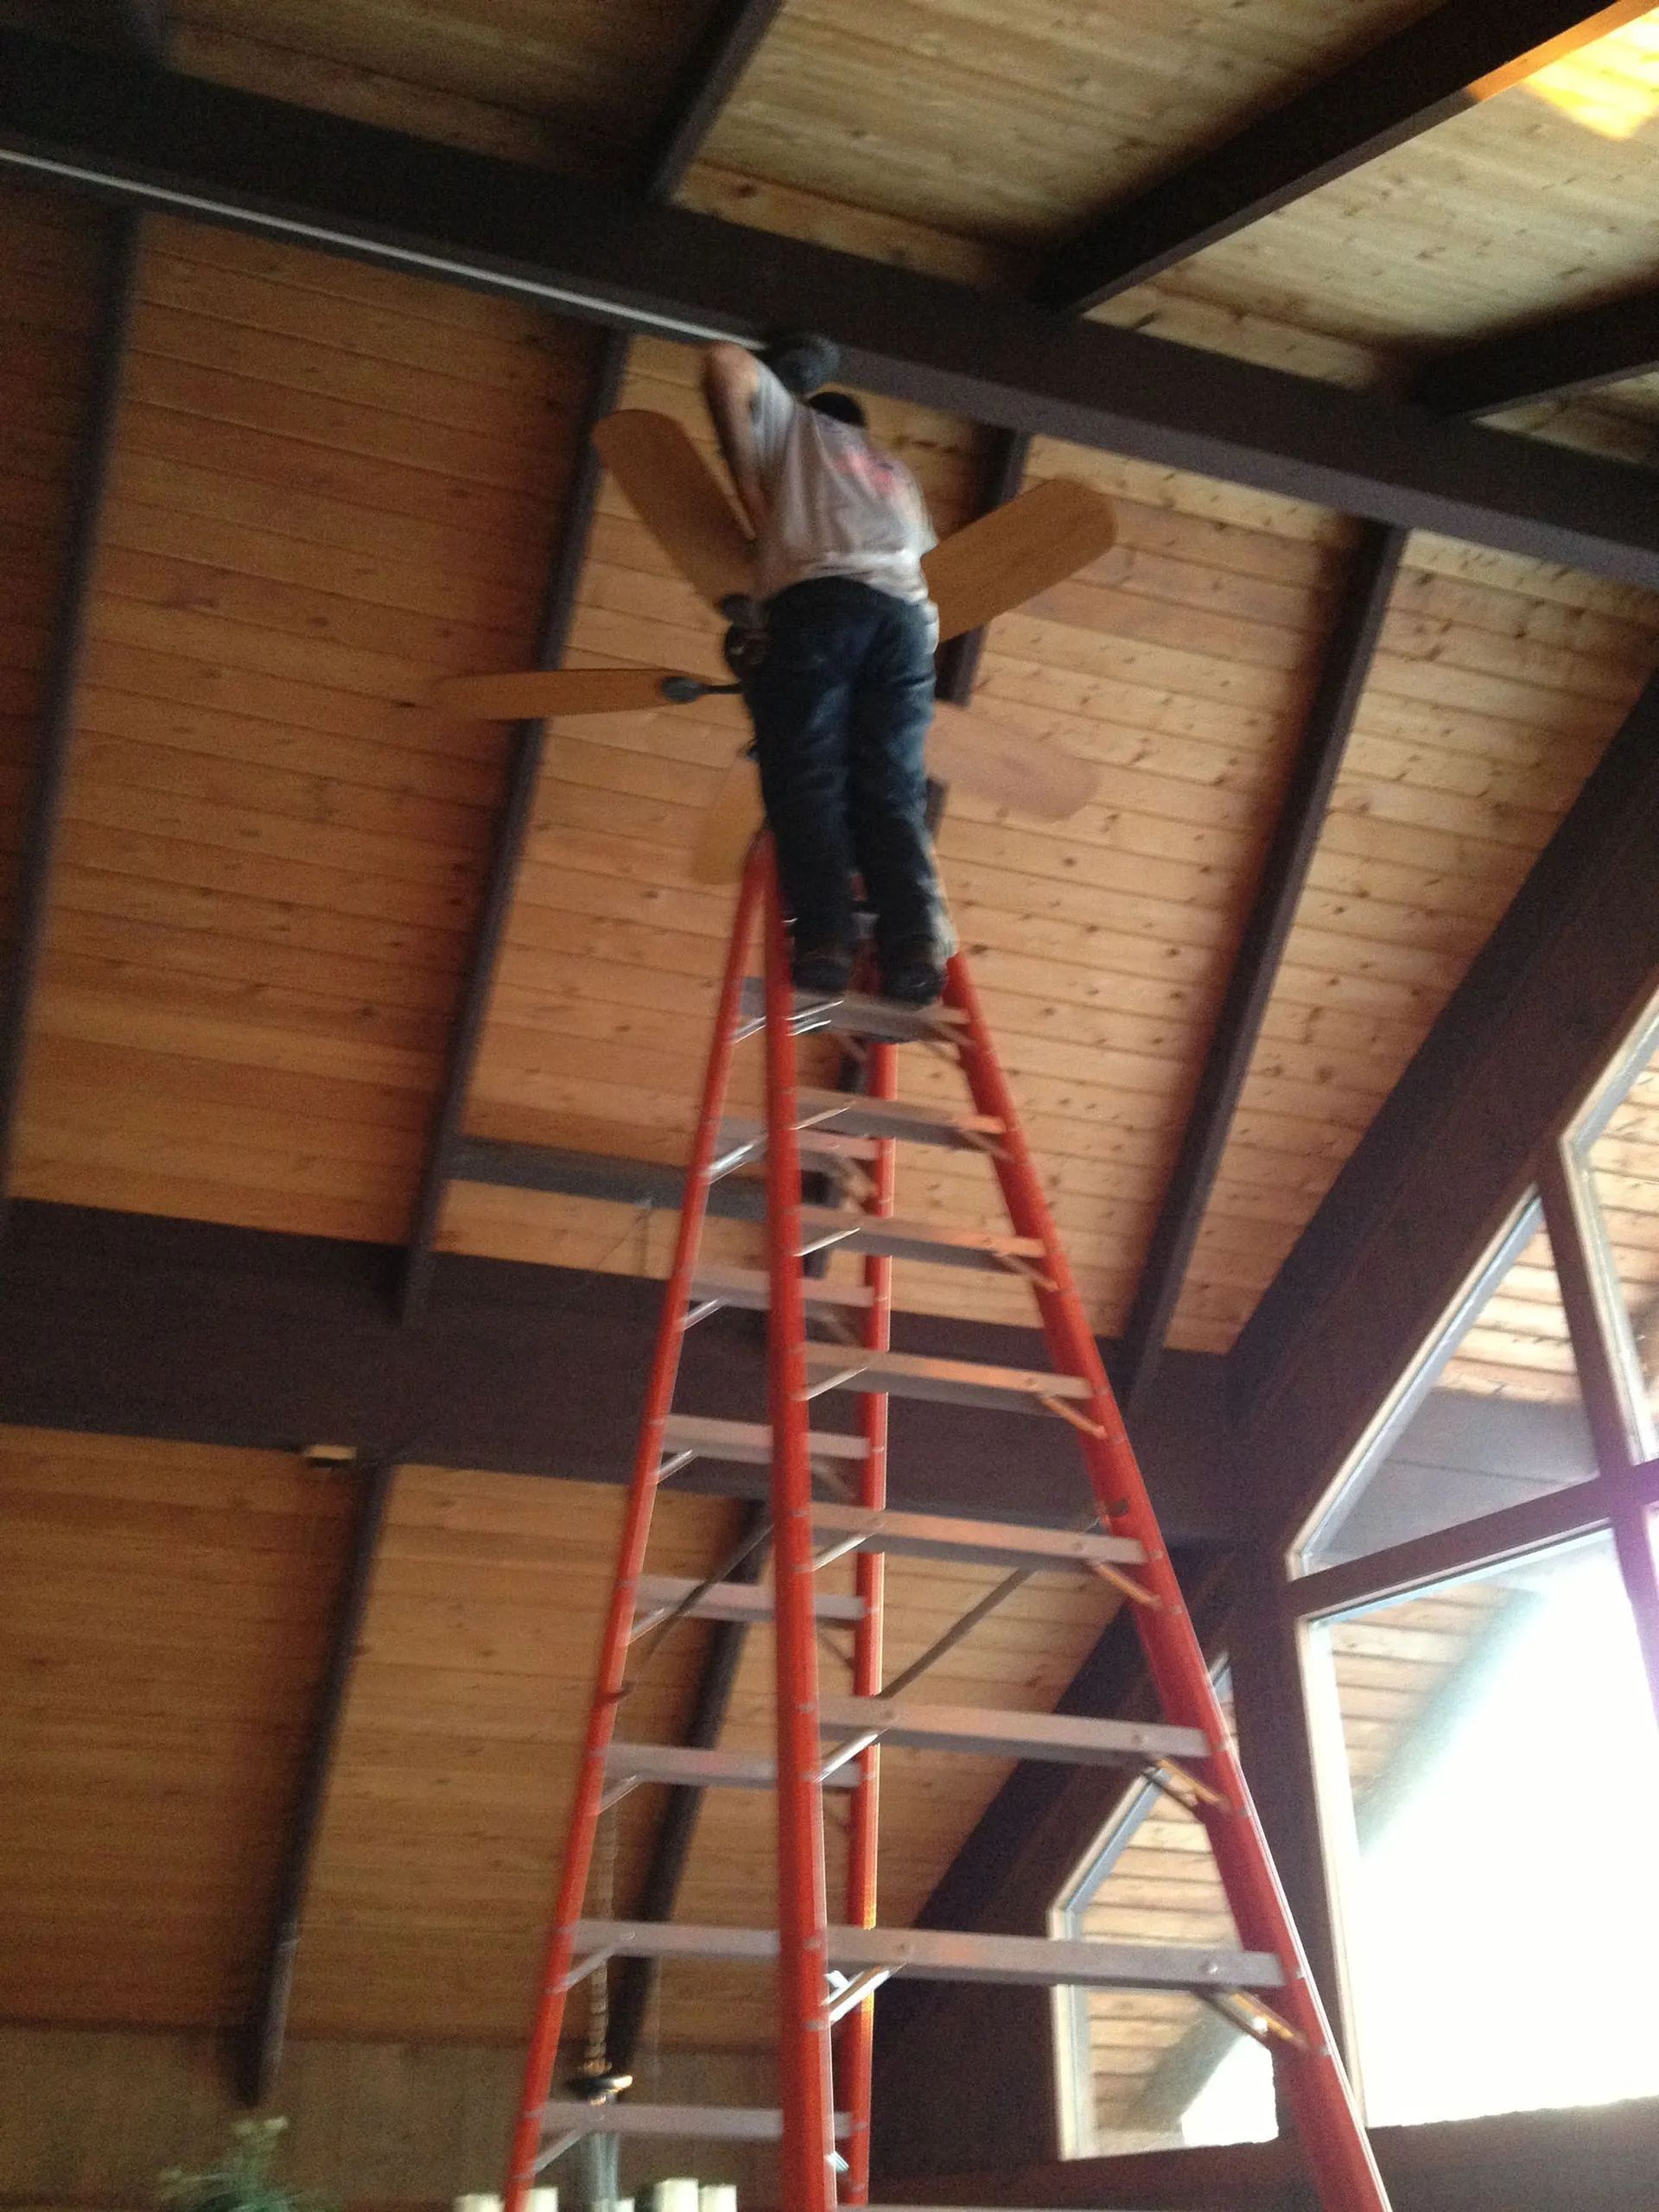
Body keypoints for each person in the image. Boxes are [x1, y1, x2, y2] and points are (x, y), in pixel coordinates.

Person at [701, 333, 950, 1007]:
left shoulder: (799, 428)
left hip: (822, 608)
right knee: (891, 792)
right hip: (906, 629)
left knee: (807, 777)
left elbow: (724, 362)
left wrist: (749, 482)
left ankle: (826, 940)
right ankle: (914, 946)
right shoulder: (893, 473)